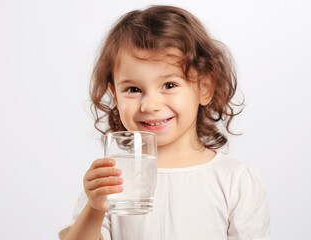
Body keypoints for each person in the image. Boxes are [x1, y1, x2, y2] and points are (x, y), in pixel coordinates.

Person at [59, 5, 271, 240]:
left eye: (169, 85)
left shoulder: (236, 180)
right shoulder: (114, 180)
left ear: (205, 87)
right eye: (133, 89)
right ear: (115, 95)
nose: (150, 105)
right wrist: (95, 207)